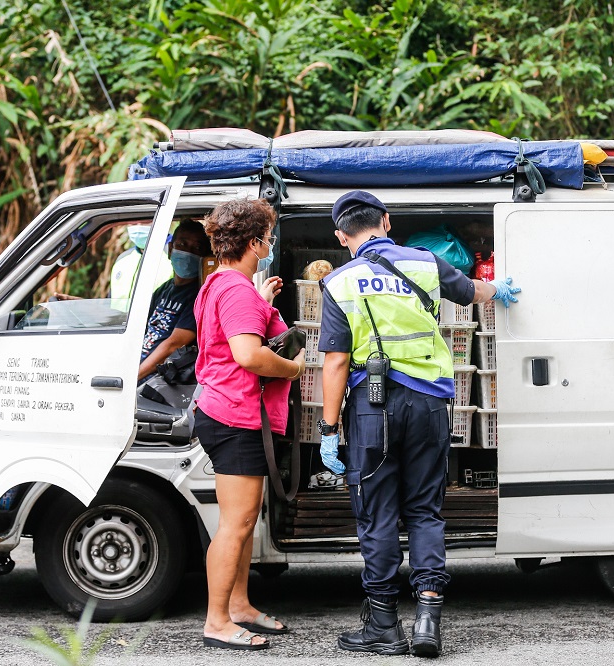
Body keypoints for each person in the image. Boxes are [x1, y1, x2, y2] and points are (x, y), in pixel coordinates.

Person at [317, 191, 520, 658]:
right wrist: (501, 290)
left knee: (378, 513)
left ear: (341, 236)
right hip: (429, 403)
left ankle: (384, 626)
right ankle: (428, 616)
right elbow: (473, 291)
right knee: (425, 511)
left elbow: (334, 362)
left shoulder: (340, 282)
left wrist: (330, 430)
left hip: (373, 408)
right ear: (386, 222)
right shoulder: (425, 263)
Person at [194, 198, 307, 651]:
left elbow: (230, 341)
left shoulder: (220, 284)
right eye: (268, 234)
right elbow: (247, 355)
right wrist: (295, 369)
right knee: (236, 525)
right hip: (235, 415)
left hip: (225, 410)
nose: (270, 242)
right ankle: (217, 620)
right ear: (255, 241)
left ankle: (238, 605)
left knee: (240, 521)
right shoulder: (236, 290)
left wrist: (261, 304)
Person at [137, 219, 211, 383]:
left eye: (196, 248)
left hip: (157, 381)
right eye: (182, 244)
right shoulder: (164, 290)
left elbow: (174, 344)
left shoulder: (200, 295)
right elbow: (140, 329)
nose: (188, 252)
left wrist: (133, 377)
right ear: (171, 249)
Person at [110, 224, 174, 307]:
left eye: (144, 222)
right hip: (118, 319)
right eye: (134, 222)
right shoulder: (122, 259)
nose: (138, 226)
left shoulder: (175, 257)